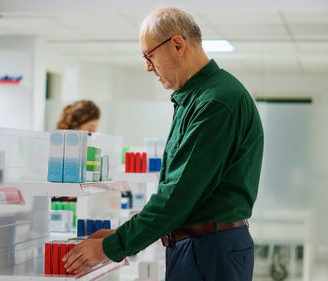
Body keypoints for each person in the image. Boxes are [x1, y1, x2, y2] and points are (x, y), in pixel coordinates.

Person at [63, 7, 264, 281]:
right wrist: (121, 234)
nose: (147, 66)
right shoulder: (194, 98)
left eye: (150, 55)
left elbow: (177, 196)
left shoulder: (215, 102)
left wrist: (112, 247)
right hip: (197, 246)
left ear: (178, 45)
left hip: (209, 251)